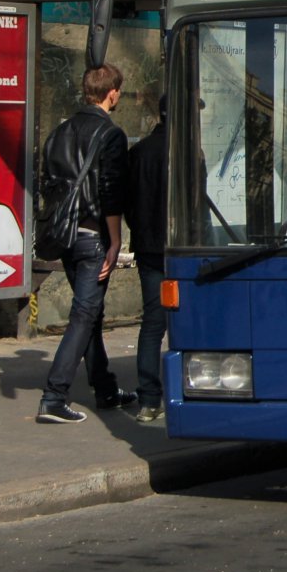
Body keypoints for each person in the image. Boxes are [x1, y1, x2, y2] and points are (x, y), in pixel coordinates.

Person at [36, 63, 135, 424]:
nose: (119, 96)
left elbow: (49, 183)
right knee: (84, 314)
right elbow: (111, 191)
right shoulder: (110, 134)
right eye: (119, 91)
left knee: (90, 313)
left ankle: (105, 387)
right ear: (111, 93)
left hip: (64, 234)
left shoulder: (59, 132)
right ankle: (53, 396)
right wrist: (116, 239)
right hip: (94, 235)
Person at [125, 94, 167, 423]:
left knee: (152, 324)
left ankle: (149, 400)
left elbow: (129, 204)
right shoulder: (189, 152)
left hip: (148, 247)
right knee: (186, 321)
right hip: (183, 250)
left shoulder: (138, 152)